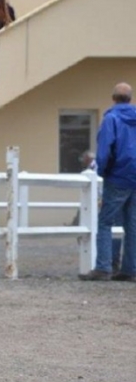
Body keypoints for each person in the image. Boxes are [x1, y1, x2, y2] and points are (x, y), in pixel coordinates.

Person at [80, 82, 136, 281]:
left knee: (105, 221)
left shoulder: (111, 119)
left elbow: (105, 150)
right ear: (130, 99)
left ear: (113, 98)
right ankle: (130, 269)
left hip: (118, 176)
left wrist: (103, 171)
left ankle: (103, 267)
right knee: (132, 224)